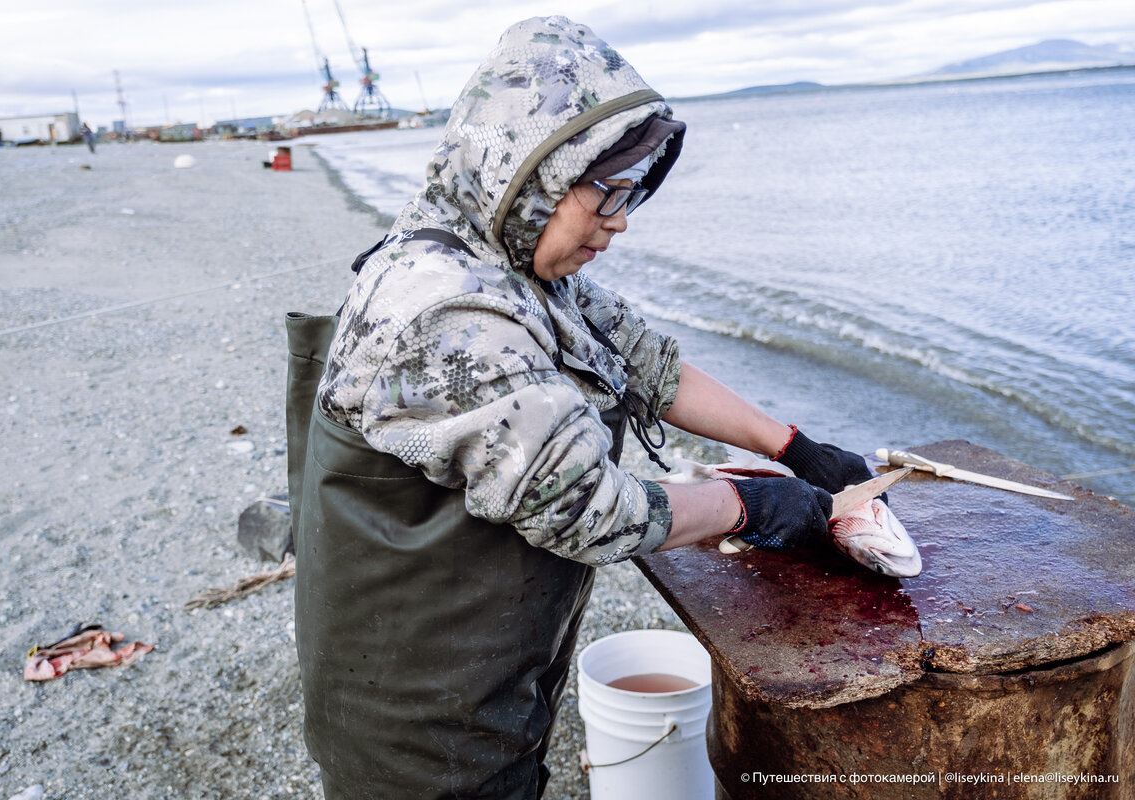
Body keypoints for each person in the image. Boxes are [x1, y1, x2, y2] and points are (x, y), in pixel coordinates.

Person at [292, 16, 874, 799]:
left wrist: (794, 446)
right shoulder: (445, 310)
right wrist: (749, 506)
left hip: (488, 674)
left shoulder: (508, 261)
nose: (621, 221)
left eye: (632, 194)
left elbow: (646, 363)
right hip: (416, 721)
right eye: (605, 193)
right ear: (526, 169)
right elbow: (589, 510)